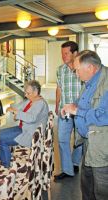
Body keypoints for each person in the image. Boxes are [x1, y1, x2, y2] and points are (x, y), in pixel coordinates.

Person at [62, 50, 108, 200]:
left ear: (90, 68)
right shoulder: (90, 81)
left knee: (101, 188)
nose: (76, 74)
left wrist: (77, 110)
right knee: (87, 185)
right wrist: (73, 105)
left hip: (102, 144)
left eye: (77, 70)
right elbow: (84, 102)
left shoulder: (106, 83)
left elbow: (105, 115)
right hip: (88, 141)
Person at [0, 80, 49, 167]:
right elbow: (19, 107)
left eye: (28, 93)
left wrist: (17, 113)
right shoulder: (31, 100)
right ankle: (5, 158)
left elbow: (31, 118)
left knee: (1, 139)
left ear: (36, 92)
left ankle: (6, 166)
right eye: (25, 93)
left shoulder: (40, 103)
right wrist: (13, 109)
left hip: (29, 134)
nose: (25, 95)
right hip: (23, 129)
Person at [54, 41, 83, 181]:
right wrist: (57, 104)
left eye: (66, 53)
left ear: (75, 53)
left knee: (79, 140)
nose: (63, 56)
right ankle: (67, 169)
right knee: (62, 140)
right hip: (64, 112)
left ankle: (75, 163)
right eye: (62, 54)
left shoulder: (82, 70)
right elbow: (59, 88)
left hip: (80, 112)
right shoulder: (60, 70)